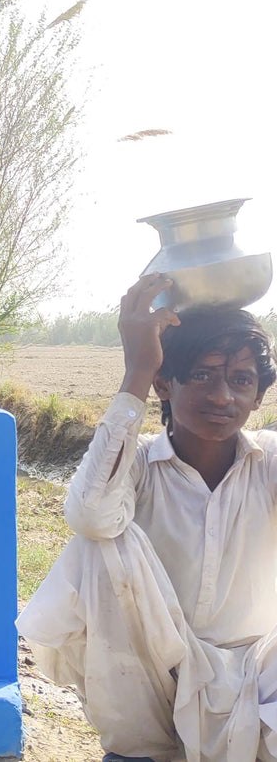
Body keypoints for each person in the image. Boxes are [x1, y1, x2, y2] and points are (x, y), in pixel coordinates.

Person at [17, 273, 277, 762]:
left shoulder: (268, 464)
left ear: (259, 396)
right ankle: (141, 749)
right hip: (154, 679)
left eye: (241, 380)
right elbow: (90, 513)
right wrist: (136, 369)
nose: (223, 396)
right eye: (202, 374)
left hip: (255, 681)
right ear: (164, 383)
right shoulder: (134, 465)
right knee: (101, 539)